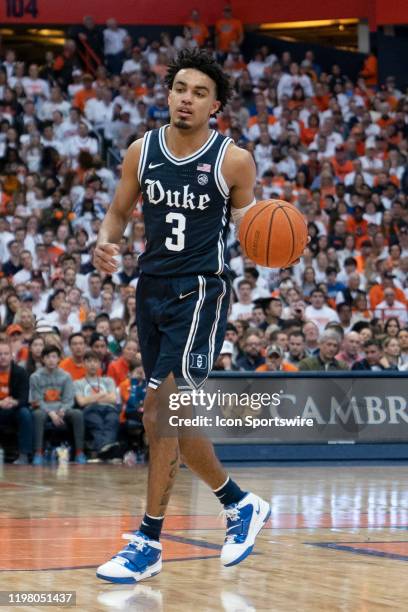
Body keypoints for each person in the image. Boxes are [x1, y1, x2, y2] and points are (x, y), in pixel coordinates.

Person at [93, 49, 272, 583]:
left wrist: (273, 238)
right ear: (168, 94)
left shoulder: (232, 160)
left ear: (215, 106)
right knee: (176, 420)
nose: (187, 99)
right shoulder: (140, 151)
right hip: (149, 290)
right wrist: (106, 244)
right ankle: (240, 504)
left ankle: (148, 542)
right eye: (180, 89)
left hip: (200, 293)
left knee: (157, 414)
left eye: (199, 93)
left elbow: (251, 231)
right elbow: (119, 214)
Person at [29, 345, 86, 465]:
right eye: (48, 357)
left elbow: (69, 399)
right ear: (43, 359)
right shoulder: (35, 377)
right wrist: (51, 413)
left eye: (54, 357)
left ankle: (79, 452)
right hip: (44, 409)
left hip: (61, 409)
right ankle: (38, 452)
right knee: (38, 415)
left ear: (59, 359)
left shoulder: (66, 376)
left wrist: (63, 410)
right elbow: (37, 400)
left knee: (77, 413)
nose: (51, 360)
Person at [74, 351, 120, 459]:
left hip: (109, 408)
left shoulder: (108, 380)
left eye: (95, 361)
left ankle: (101, 449)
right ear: (84, 364)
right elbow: (82, 402)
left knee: (112, 421)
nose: (92, 364)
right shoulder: (77, 383)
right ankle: (107, 449)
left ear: (100, 364)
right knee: (97, 423)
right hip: (90, 410)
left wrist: (91, 398)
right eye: (89, 361)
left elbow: (113, 399)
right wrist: (103, 394)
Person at [0, 340, 32, 464]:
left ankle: (24, 454)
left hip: (14, 408)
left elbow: (24, 398)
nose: (2, 357)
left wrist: (14, 402)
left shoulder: (20, 372)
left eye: (6, 354)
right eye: (0, 354)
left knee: (25, 413)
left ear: (11, 355)